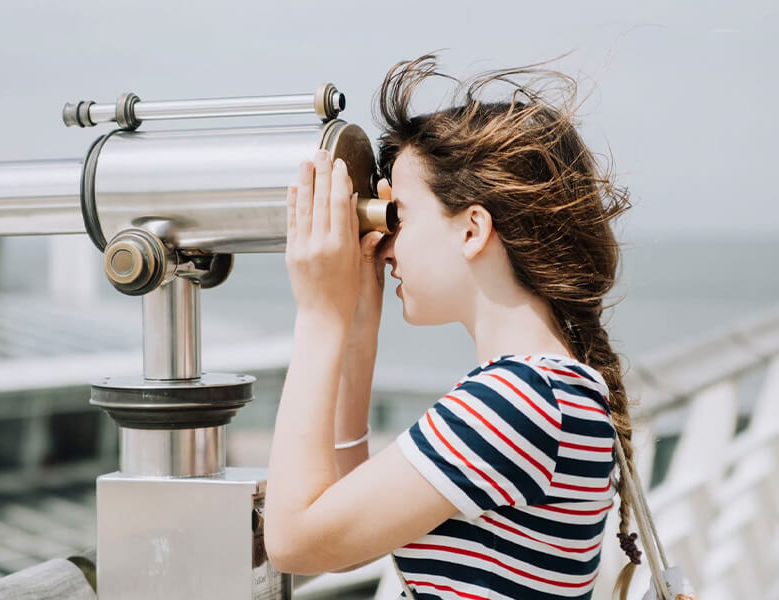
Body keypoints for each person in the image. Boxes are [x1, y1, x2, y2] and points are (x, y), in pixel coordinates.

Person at [265, 53, 640, 600]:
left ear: (472, 230)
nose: (385, 244)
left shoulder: (518, 401)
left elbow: (293, 542)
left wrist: (320, 314)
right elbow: (345, 542)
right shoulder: (555, 390)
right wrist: (359, 331)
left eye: (400, 215)